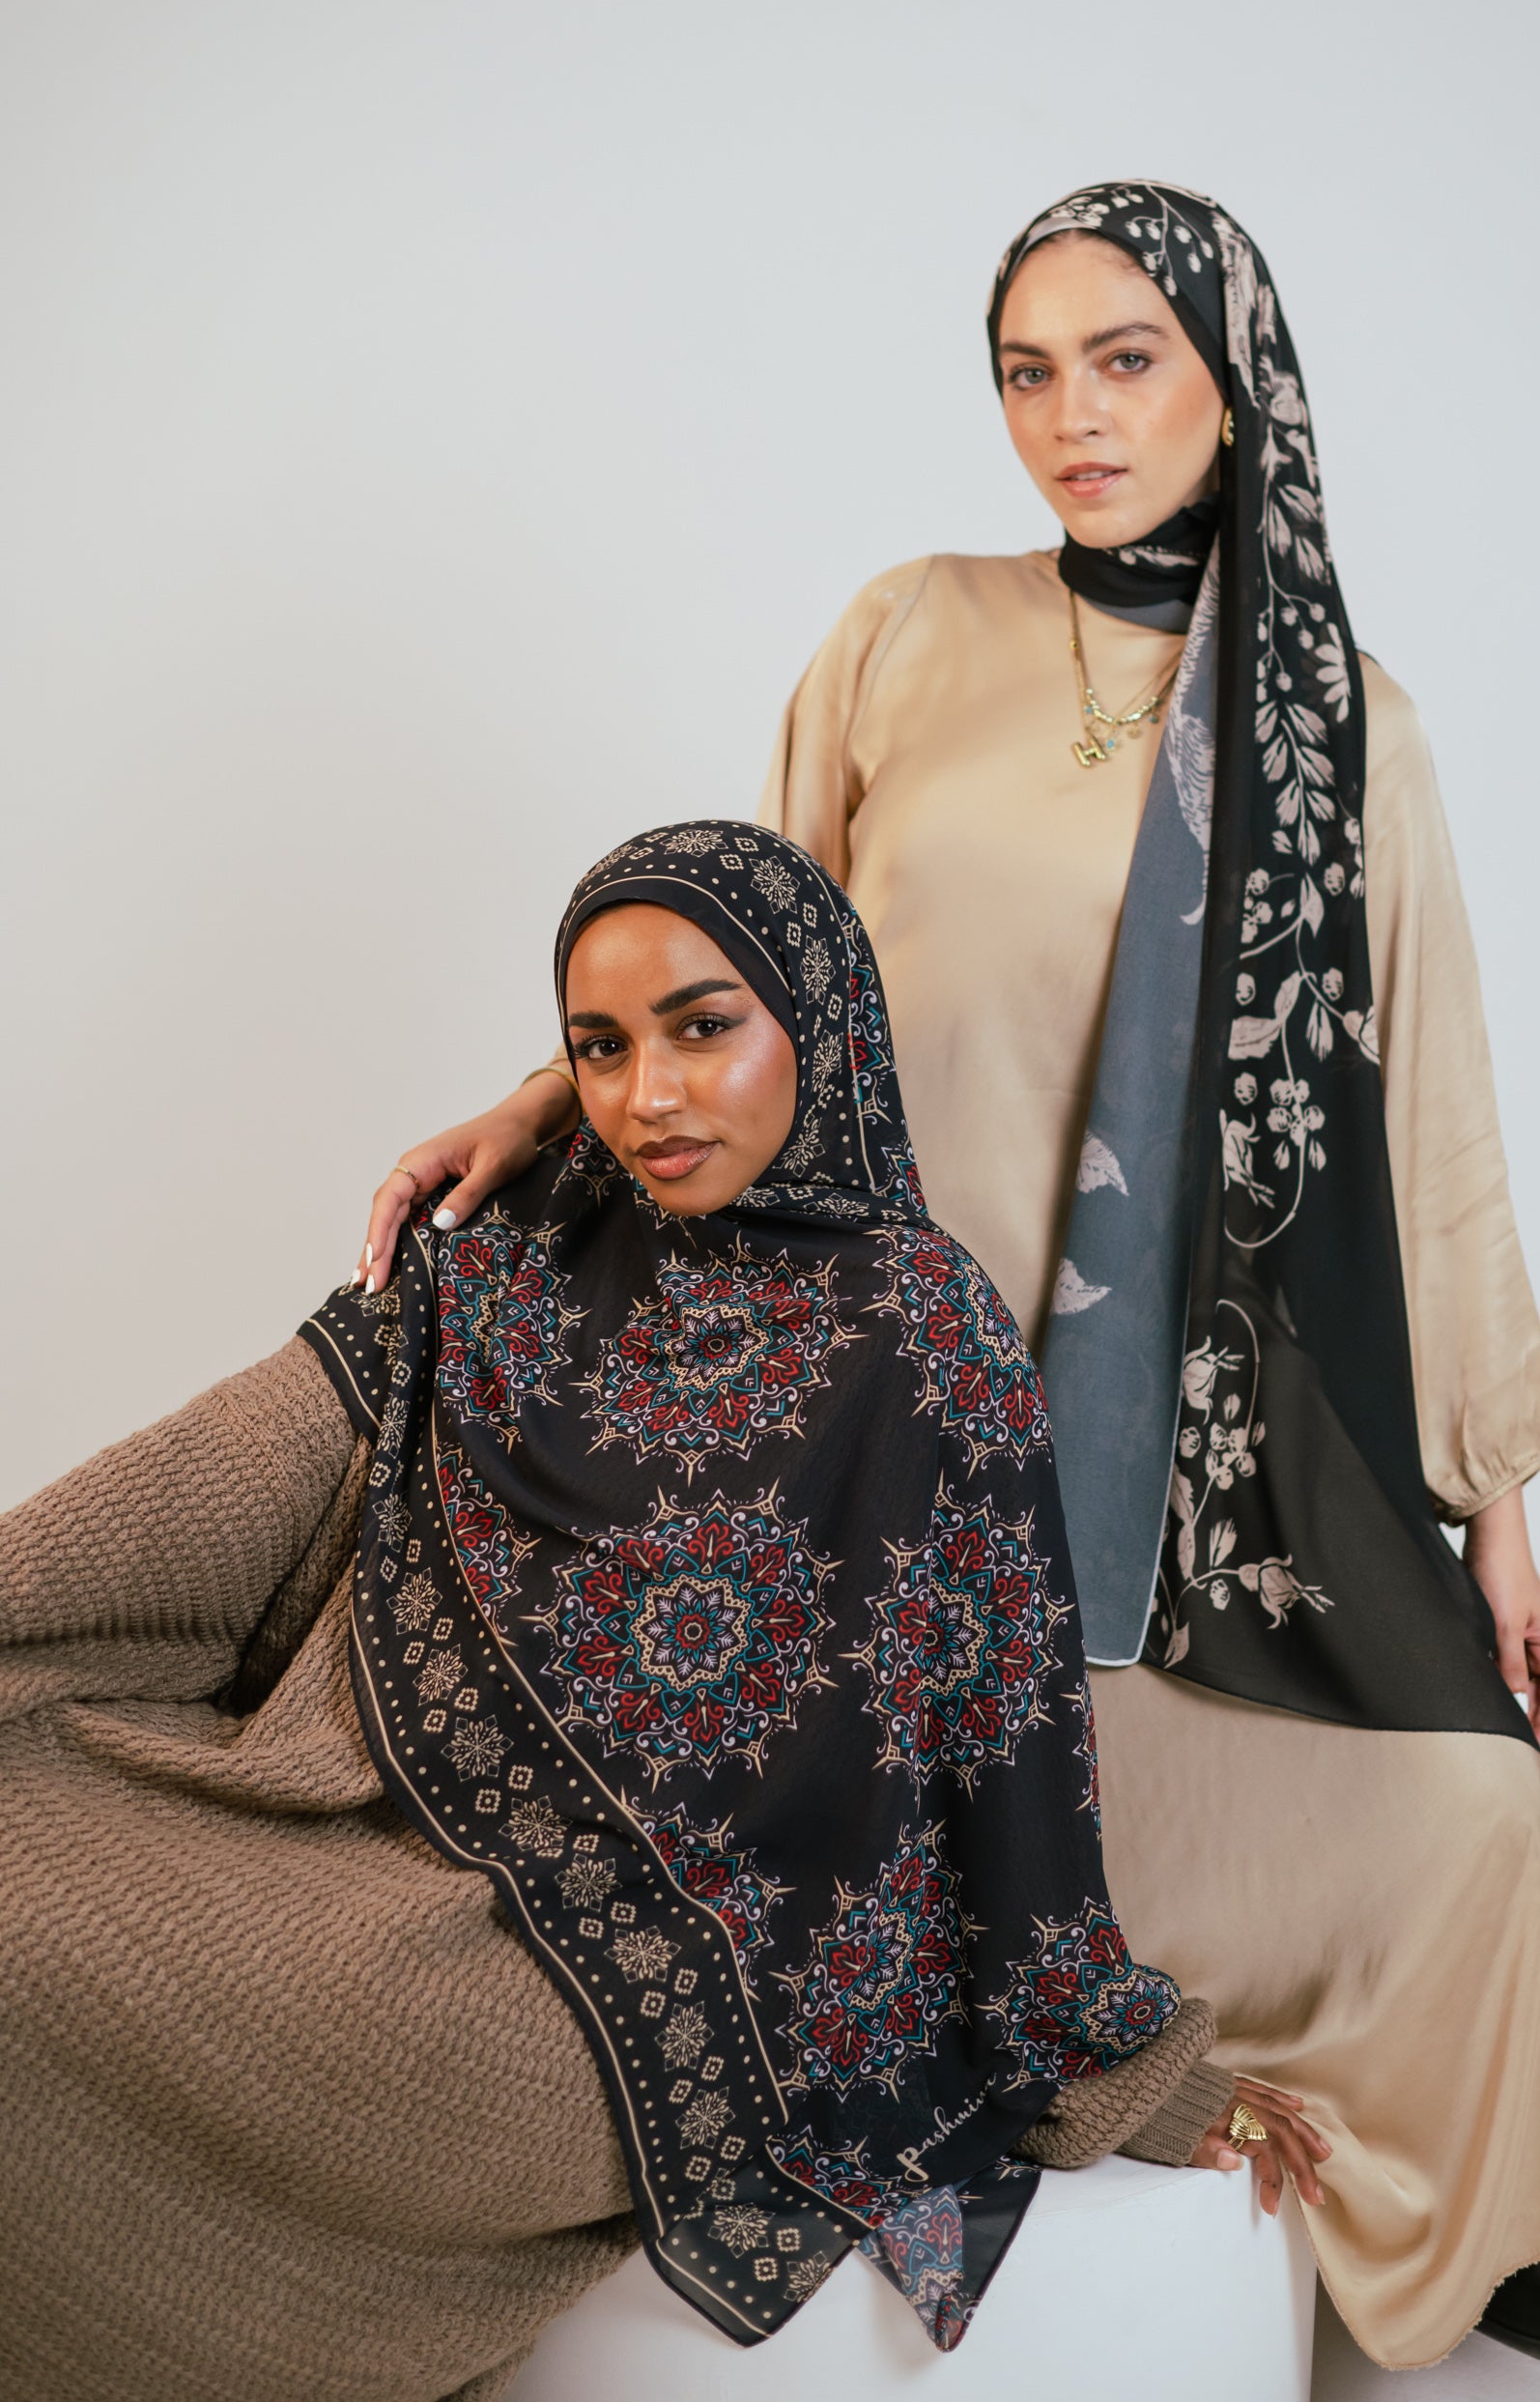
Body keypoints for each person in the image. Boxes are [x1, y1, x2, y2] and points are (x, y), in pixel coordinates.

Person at [362, 186, 1540, 2376]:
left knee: (1467, 1797)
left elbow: (1430, 1119)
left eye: (1122, 357)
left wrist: (1491, 1502)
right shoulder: (904, 629)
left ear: (1234, 378)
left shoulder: (1354, 738)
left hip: (1164, 1460)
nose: (1069, 416)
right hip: (842, 1397)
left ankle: (1467, 2173)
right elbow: (727, 970)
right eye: (1027, 370)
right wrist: (539, 1109)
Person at [1, 822, 1318, 2402]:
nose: (650, 1097)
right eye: (599, 1049)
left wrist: (1121, 2066)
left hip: (633, 2011)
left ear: (815, 1023)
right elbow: (214, 1487)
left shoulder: (922, 1340)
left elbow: (1009, 1744)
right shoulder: (509, 1263)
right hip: (350, 1837)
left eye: (705, 1028)